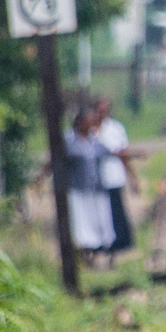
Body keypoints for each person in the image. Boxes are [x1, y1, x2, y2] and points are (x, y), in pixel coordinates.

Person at [64, 107, 115, 264]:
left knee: (102, 222)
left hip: (96, 189)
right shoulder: (70, 141)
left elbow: (111, 152)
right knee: (82, 225)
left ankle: (105, 253)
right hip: (79, 190)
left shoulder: (94, 142)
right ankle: (87, 255)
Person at [93, 97, 142, 257]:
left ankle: (122, 242)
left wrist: (132, 176)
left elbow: (123, 153)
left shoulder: (115, 128)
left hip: (113, 175)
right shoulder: (90, 129)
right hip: (95, 178)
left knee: (117, 209)